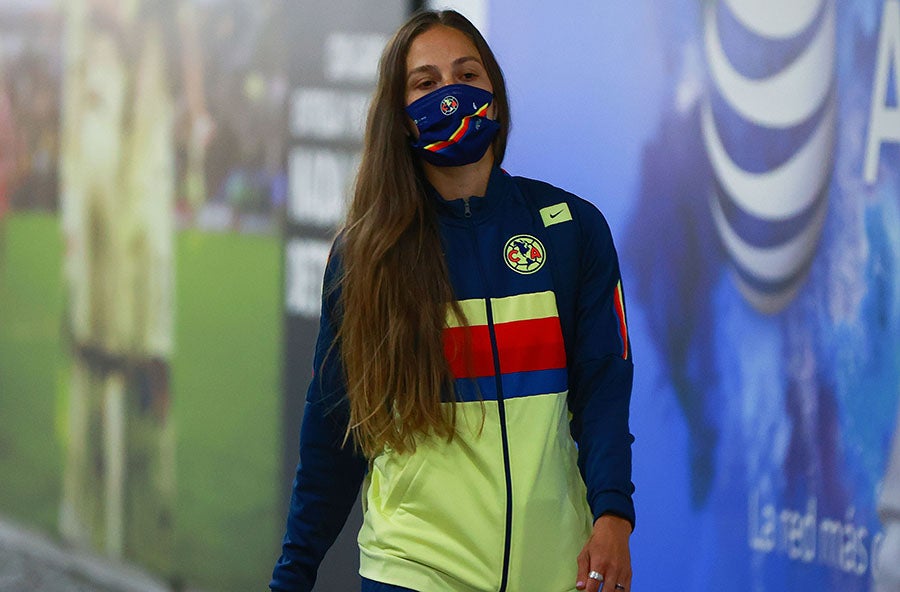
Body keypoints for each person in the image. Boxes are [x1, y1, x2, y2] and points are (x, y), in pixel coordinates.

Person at [271, 9, 635, 592]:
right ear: (400, 116)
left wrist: (614, 513)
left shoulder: (572, 229)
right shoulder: (366, 255)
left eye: (467, 75)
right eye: (426, 83)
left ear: (495, 92)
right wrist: (292, 576)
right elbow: (333, 431)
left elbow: (602, 391)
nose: (450, 97)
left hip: (556, 568)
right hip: (413, 568)